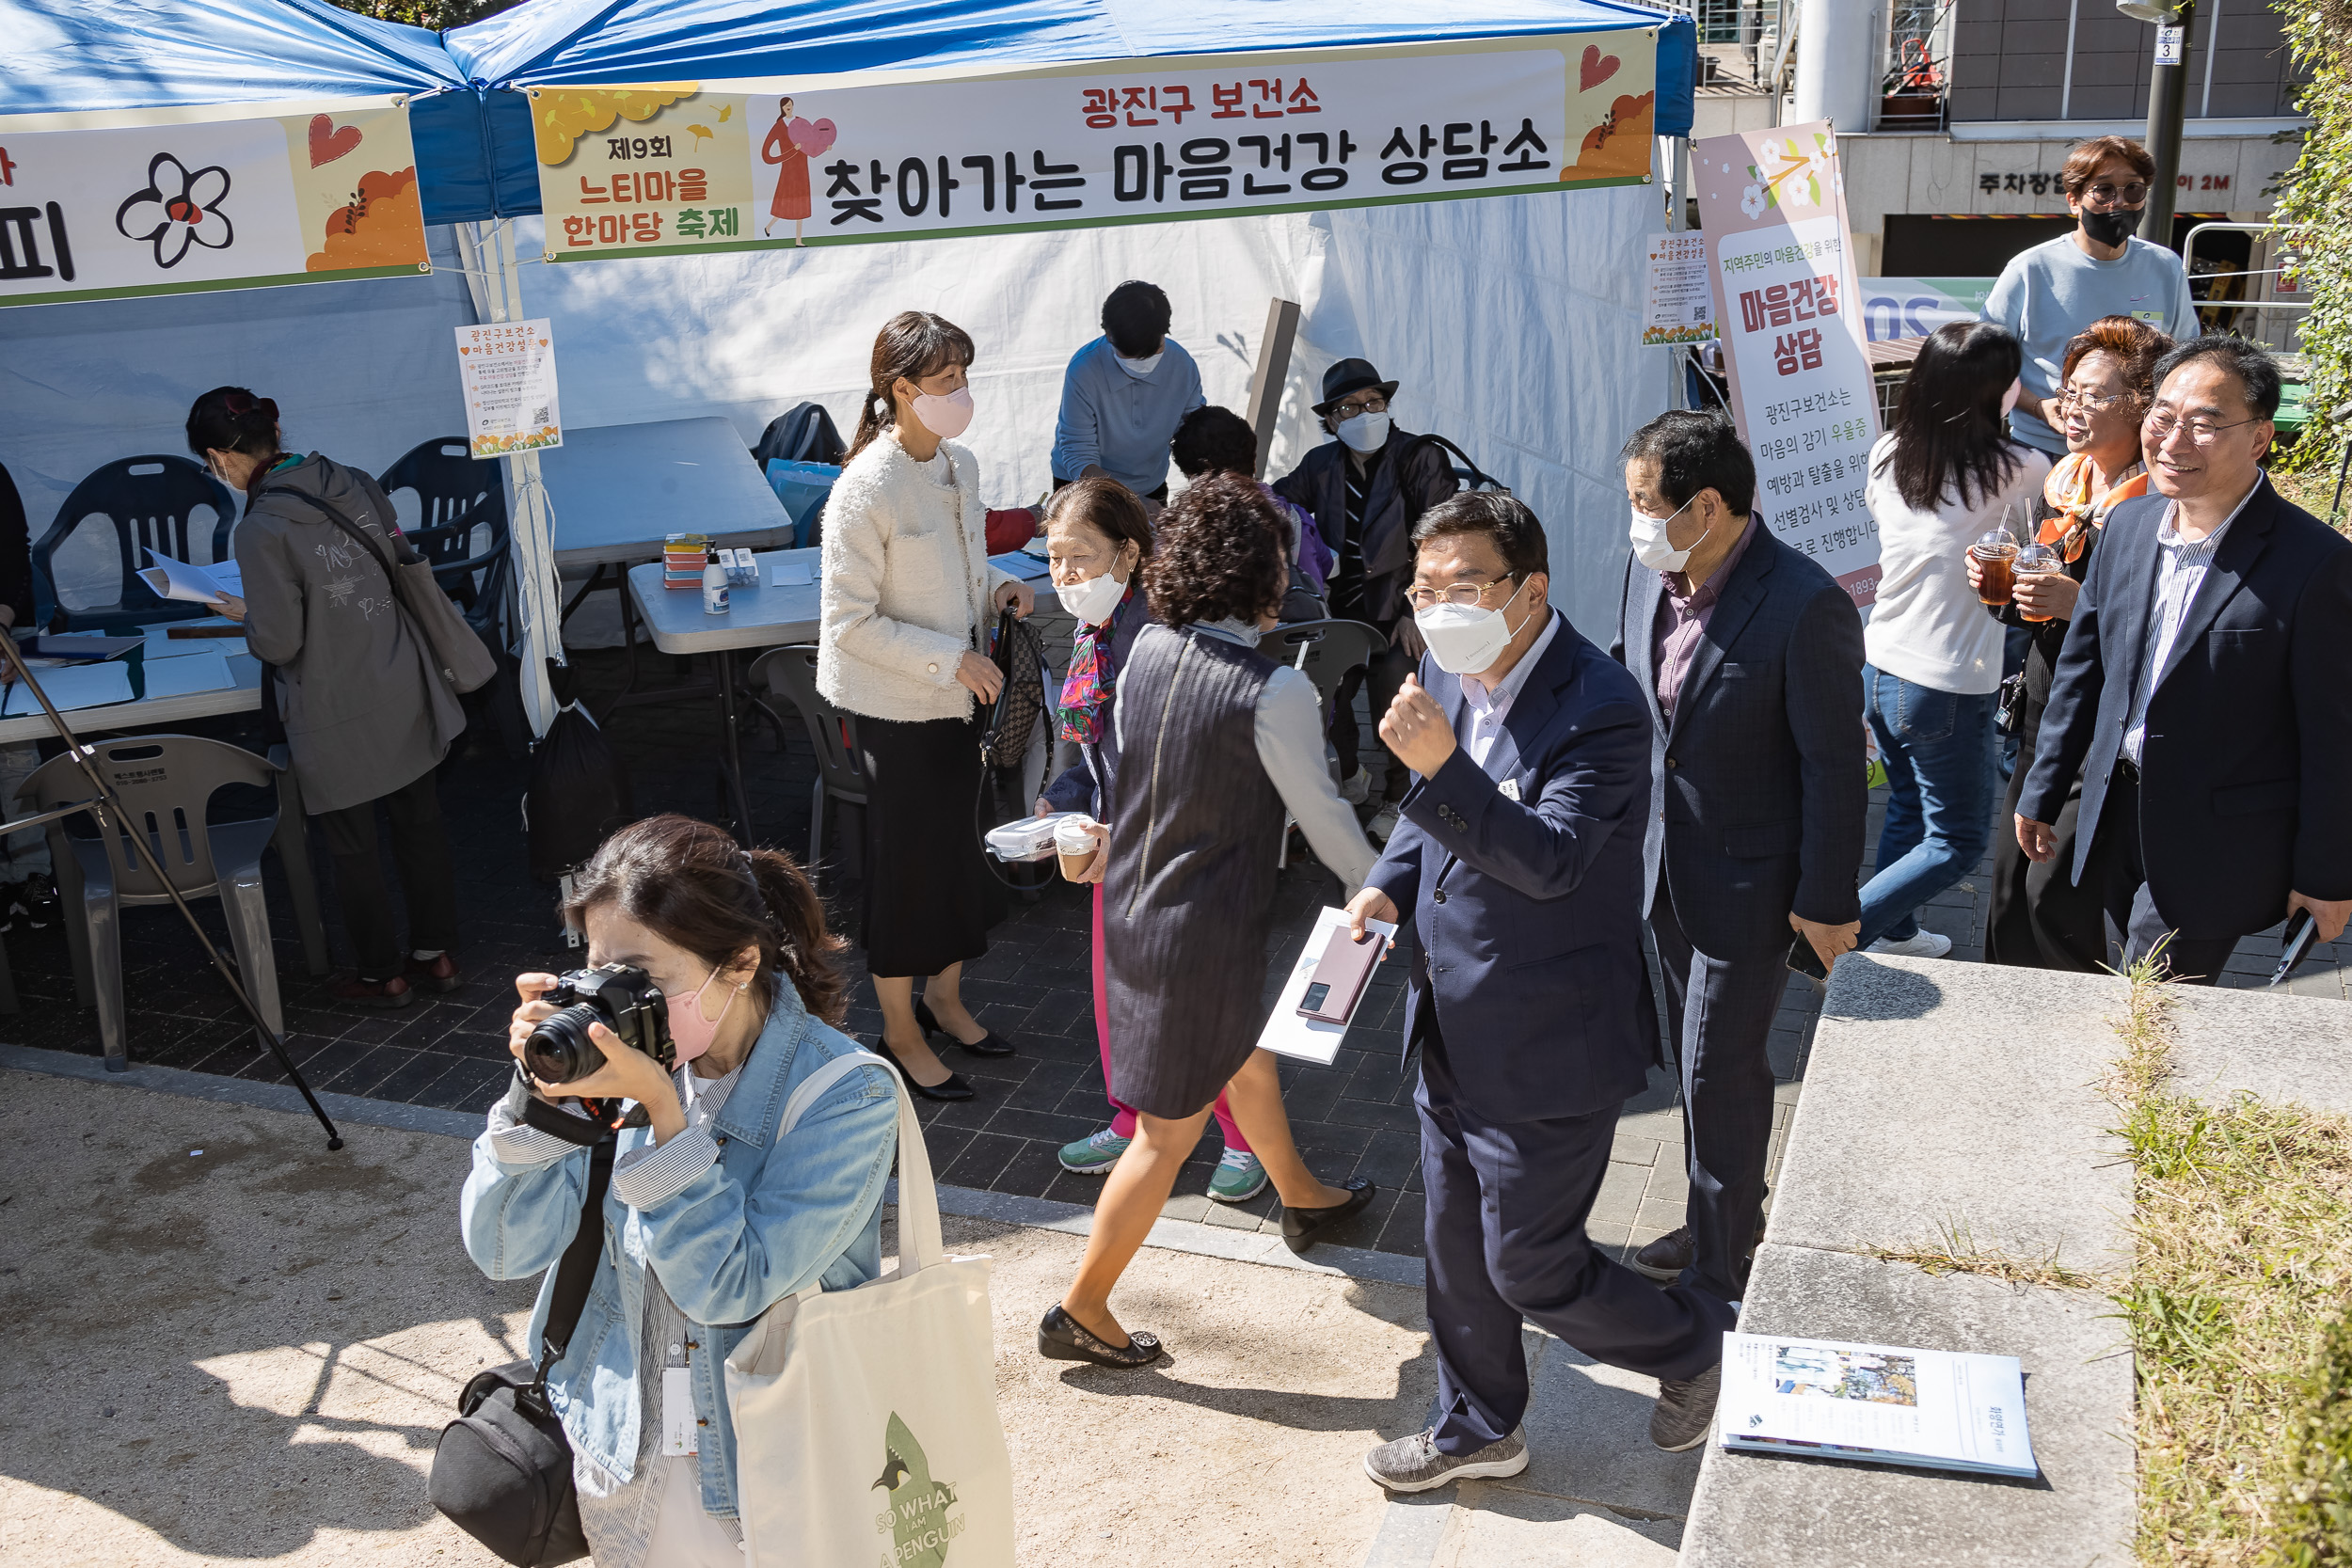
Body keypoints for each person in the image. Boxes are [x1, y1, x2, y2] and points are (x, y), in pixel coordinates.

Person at [1345, 494, 1739, 1492]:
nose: (1438, 608)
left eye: (1463, 586)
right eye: (1424, 587)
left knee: (1528, 1261)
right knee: (1452, 1244)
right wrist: (1384, 884)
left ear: (1529, 590)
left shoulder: (1598, 704)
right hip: (1448, 1013)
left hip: (1552, 1034)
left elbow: (1556, 858)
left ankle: (1693, 1341)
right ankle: (1477, 1423)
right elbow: (1423, 813)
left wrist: (1438, 769)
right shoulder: (1445, 662)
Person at [462, 816, 898, 1568]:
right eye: (599, 974)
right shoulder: (609, 1073)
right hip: (625, 1452)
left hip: (763, 1462)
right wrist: (541, 1098)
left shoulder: (845, 1095)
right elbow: (503, 1250)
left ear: (738, 962)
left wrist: (666, 1117)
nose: (614, 1004)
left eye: (644, 979)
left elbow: (727, 1286)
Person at [1042, 471, 1378, 1370]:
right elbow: (1329, 823)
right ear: (1265, 574)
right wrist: (1391, 889)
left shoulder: (1145, 649)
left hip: (1135, 906)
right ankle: (1083, 1306)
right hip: (1207, 927)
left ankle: (1302, 1192)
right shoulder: (1276, 691)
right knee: (1169, 1131)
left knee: (1244, 1060)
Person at [1608, 412, 1867, 1299]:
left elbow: (1835, 766)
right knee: (1694, 1063)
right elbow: (1632, 691)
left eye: (1647, 503)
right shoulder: (1653, 579)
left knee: (1720, 1067)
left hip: (1752, 884)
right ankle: (1718, 1216)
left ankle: (1722, 1273)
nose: (1634, 520)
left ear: (1707, 506)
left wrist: (1828, 898)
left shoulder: (1805, 603)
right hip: (1663, 871)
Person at [2018, 335, 2352, 979]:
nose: (2172, 440)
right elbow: (2086, 670)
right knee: (2121, 983)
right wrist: (2043, 786)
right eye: (2163, 417)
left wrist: (2327, 873)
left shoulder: (2315, 565)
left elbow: (2334, 736)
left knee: (2150, 1002)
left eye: (2204, 424)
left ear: (2259, 438)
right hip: (2114, 815)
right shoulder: (2130, 524)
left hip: (2215, 841)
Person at [187, 387, 464, 1007]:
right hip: (401, 675)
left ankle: (382, 973)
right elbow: (396, 558)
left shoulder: (259, 527)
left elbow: (280, 642)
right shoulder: (354, 479)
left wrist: (244, 612)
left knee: (353, 843)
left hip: (333, 703)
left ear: (221, 458)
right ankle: (437, 953)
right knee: (420, 823)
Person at [1031, 478, 1267, 1203]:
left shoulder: (1159, 633)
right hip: (1116, 842)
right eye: (1055, 559)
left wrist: (1114, 825)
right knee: (1119, 998)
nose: (1065, 576)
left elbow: (1180, 759)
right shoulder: (1096, 625)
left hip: (1171, 849)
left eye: (1081, 556)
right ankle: (1130, 1115)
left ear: (1129, 553)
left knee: (1191, 1004)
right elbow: (1094, 746)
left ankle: (1241, 1139)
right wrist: (1060, 799)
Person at [818, 311, 1032, 1101]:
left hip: (962, 696)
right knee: (908, 869)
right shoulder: (863, 488)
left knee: (962, 858)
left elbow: (966, 569)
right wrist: (951, 656)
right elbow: (847, 624)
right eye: (946, 382)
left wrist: (998, 591)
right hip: (896, 710)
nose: (961, 394)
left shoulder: (959, 465)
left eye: (964, 378)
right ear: (900, 390)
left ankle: (944, 998)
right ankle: (899, 1029)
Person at [1974, 315, 2169, 971]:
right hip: (2040, 716)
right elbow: (2037, 618)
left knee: (2053, 898)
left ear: (2144, 404)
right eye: (2070, 390)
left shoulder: (2165, 506)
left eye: (2094, 394)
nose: (2071, 406)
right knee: (2005, 897)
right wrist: (2002, 595)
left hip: (2103, 735)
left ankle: (2084, 1042)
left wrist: (2077, 603)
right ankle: (2010, 1039)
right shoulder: (2067, 485)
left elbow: (2173, 632)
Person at [1854, 323, 2052, 958]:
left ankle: (1896, 931)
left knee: (1910, 805)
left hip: (1880, 664)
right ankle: (1841, 932)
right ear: (1996, 392)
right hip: (1945, 681)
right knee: (1961, 839)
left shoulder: (1888, 452)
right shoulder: (2021, 468)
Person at [1271, 358, 1460, 831]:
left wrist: (1413, 608)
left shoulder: (1419, 457)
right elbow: (1275, 504)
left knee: (1398, 691)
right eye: (1350, 407)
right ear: (1332, 420)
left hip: (1398, 607)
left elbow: (1442, 537)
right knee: (1316, 694)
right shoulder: (1320, 464)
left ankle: (1401, 797)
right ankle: (1350, 773)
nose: (1365, 413)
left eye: (1374, 402)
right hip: (1337, 611)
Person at [1983, 135, 2201, 462]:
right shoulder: (2030, 269)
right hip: (2043, 450)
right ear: (2074, 200)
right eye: (2104, 190)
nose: (2120, 202)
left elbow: (2185, 358)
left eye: (2133, 189)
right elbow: (1983, 362)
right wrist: (2037, 406)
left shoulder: (2165, 267)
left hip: (2137, 454)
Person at [1049, 280, 1204, 502]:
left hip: (1149, 483)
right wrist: (1132, 504)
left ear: (1165, 331)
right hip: (1084, 483)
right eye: (1128, 356)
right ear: (1108, 334)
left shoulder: (1182, 365)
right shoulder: (1084, 369)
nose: (1140, 365)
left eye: (1150, 355)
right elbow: (1078, 449)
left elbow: (1192, 432)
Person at [1169, 404, 1333, 601]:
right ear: (1254, 461)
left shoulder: (1183, 529)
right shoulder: (1297, 518)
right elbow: (1325, 566)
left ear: (1191, 476)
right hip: (1303, 629)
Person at [0, 458, 55, 931]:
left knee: (16, 753)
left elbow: (14, 553)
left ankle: (35, 874)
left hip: (7, 621)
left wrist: (1, 624)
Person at [759, 96, 814, 245]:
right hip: (789, 170)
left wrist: (824, 146)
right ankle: (769, 226)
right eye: (785, 105)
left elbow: (813, 140)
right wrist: (790, 153)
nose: (788, 107)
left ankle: (798, 240)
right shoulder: (779, 126)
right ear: (782, 108)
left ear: (793, 105)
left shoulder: (801, 122)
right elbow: (766, 155)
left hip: (802, 168)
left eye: (790, 104)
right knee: (785, 203)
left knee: (800, 204)